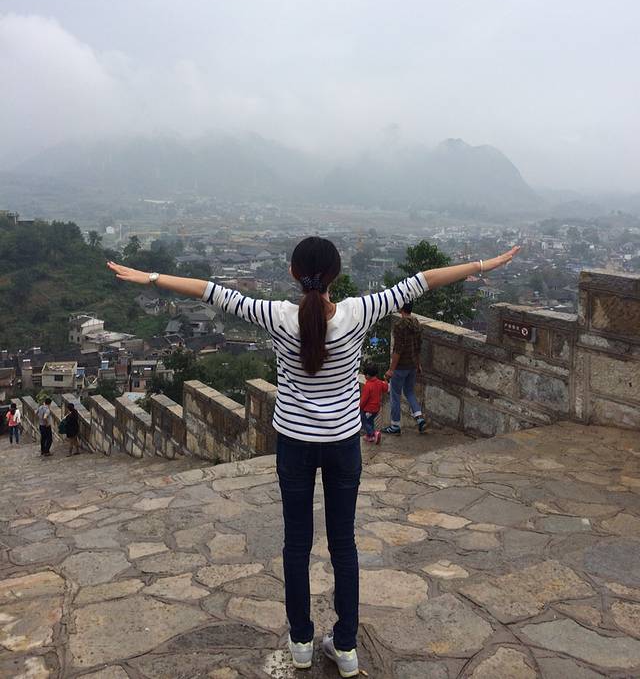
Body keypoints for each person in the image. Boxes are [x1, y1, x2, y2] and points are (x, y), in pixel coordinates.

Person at [108, 239, 519, 678]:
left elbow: (210, 291)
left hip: (295, 444)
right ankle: (346, 646)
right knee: (344, 545)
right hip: (343, 444)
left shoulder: (276, 316)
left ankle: (301, 641)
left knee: (296, 544)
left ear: (293, 273)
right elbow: (423, 281)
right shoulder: (360, 312)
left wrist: (151, 277)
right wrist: (482, 264)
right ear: (335, 275)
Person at [383, 301, 426, 435]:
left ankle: (395, 425)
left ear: (401, 308)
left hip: (401, 367)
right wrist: (418, 364)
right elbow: (418, 347)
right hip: (412, 365)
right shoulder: (417, 324)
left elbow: (398, 350)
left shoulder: (400, 326)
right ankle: (419, 417)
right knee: (409, 392)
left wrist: (391, 369)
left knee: (395, 395)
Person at [360, 363, 387, 444]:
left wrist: (359, 407)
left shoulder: (368, 385)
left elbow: (364, 399)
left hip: (368, 409)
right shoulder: (379, 382)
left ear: (367, 375)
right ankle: (369, 437)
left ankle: (374, 433)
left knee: (364, 422)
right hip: (376, 408)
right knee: (370, 421)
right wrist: (386, 380)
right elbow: (385, 388)